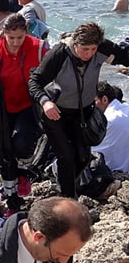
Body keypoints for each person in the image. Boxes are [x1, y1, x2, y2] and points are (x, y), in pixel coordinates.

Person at [28, 22, 128, 198]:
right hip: (55, 112)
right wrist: (45, 102)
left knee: (82, 157)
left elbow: (125, 56)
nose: (89, 54)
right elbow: (34, 82)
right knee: (66, 157)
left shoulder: (102, 47)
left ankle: (64, 184)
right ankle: (68, 199)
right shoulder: (59, 54)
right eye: (84, 49)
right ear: (75, 44)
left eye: (92, 49)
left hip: (83, 113)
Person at [0, 14, 48, 211]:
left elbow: (54, 72)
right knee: (4, 151)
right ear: (4, 34)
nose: (16, 42)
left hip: (27, 104)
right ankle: (11, 200)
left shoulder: (38, 48)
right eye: (11, 38)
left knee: (21, 143)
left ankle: (23, 173)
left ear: (26, 34)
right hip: (1, 107)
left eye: (20, 37)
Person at [92, 82, 129, 172]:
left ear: (104, 99)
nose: (91, 106)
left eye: (94, 102)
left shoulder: (107, 119)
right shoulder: (126, 108)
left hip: (112, 169)